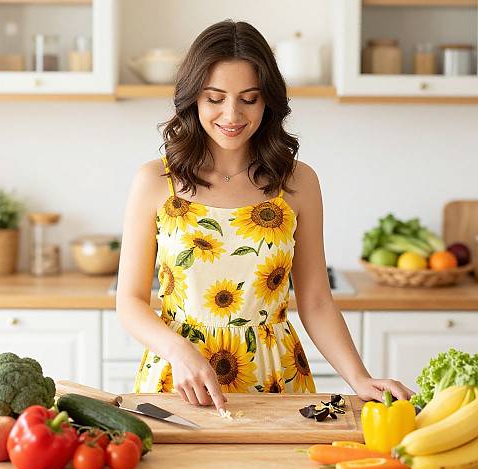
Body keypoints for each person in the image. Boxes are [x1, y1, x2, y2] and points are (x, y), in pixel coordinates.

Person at [116, 19, 414, 414]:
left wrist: (359, 378)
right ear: (194, 99)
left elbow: (316, 300)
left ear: (267, 100)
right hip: (178, 378)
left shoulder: (298, 182)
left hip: (277, 379)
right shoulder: (155, 181)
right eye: (215, 98)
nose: (232, 114)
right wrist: (179, 351)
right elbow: (130, 301)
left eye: (249, 98)